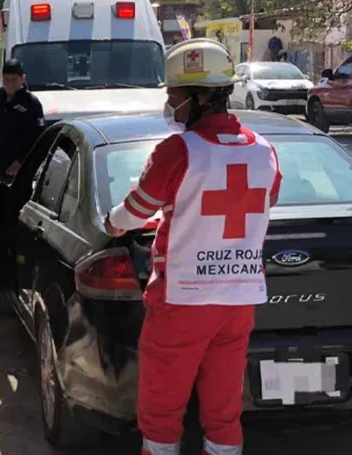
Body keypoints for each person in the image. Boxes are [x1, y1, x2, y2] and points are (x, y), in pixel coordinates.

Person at [103, 39, 282, 455]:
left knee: (162, 410)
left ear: (197, 98)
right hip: (238, 301)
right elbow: (263, 202)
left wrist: (110, 223)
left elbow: (132, 213)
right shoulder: (265, 150)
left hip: (182, 300)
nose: (170, 104)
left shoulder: (177, 151)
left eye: (173, 95)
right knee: (223, 411)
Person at [0, 59, 45, 180]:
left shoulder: (31, 103)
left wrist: (20, 160)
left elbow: (38, 137)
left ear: (23, 79)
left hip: (17, 168)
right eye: (6, 79)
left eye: (14, 80)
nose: (10, 84)